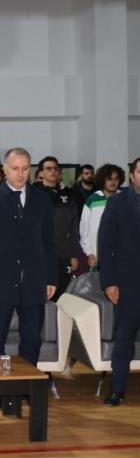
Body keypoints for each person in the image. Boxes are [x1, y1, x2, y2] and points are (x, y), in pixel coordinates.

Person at [0, 148, 56, 409]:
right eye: (15, 168)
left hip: (34, 281)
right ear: (5, 170)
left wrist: (51, 278)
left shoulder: (42, 199)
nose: (20, 174)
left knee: (31, 339)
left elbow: (49, 242)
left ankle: (25, 388)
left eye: (25, 168)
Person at [98, 157, 140, 407]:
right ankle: (117, 389)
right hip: (128, 284)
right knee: (124, 339)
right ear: (132, 175)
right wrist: (109, 282)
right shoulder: (117, 202)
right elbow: (105, 244)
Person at [34, 156, 82, 298]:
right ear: (41, 173)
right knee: (41, 293)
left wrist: (74, 254)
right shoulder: (32, 194)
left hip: (63, 254)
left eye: (55, 168)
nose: (53, 171)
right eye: (48, 169)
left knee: (62, 294)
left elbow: (74, 227)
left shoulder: (69, 194)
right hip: (39, 253)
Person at [80, 164, 124, 270]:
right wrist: (89, 253)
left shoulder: (125, 199)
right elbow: (84, 229)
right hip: (97, 256)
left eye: (116, 179)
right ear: (102, 180)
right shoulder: (92, 199)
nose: (113, 182)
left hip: (121, 256)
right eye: (109, 179)